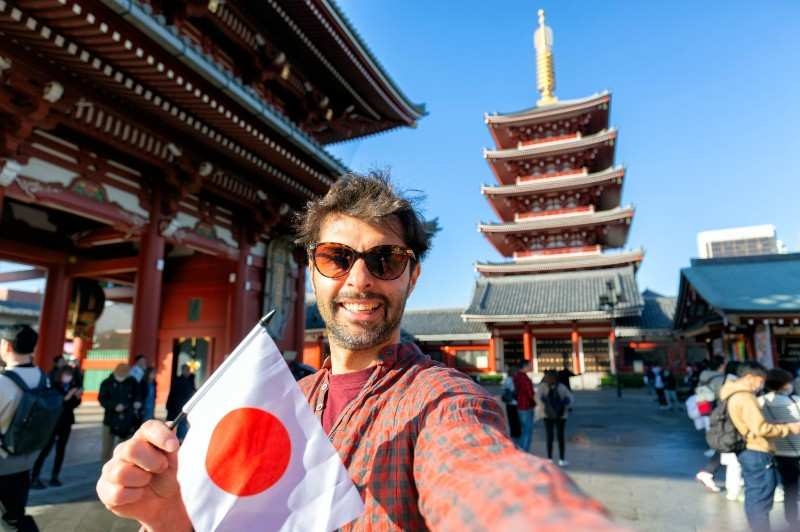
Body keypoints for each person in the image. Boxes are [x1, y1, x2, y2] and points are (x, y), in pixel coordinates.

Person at [97, 172, 620, 531]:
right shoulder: (283, 399)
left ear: (412, 276)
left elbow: (479, 475)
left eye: (386, 259)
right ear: (313, 270)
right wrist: (169, 519)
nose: (360, 279)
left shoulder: (442, 400)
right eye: (337, 256)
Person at [722, 361, 800, 532]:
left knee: (760, 494)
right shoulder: (745, 397)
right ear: (750, 377)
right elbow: (760, 428)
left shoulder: (746, 397)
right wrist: (790, 427)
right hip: (758, 450)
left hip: (767, 451)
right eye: (760, 380)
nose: (761, 384)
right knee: (762, 497)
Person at [0, 324, 44, 531]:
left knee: (6, 522)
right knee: (15, 515)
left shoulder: (3, 383)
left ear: (7, 346)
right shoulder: (44, 379)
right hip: (26, 462)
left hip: (2, 463)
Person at [759, 368, 800, 528]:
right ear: (784, 384)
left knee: (790, 489)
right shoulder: (795, 400)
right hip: (797, 448)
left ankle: (792, 520)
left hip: (780, 451)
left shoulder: (760, 402)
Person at [30, 365, 82, 489]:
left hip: (66, 422)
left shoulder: (72, 387)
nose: (68, 378)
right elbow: (53, 403)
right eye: (66, 375)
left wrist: (77, 397)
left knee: (61, 450)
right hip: (53, 423)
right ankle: (34, 476)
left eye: (70, 375)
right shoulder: (54, 386)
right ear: (61, 375)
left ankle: (55, 476)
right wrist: (66, 397)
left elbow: (73, 405)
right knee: (45, 449)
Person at [98, 363, 139, 463]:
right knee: (107, 448)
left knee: (122, 447)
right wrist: (114, 406)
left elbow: (138, 395)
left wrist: (136, 403)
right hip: (110, 418)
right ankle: (105, 469)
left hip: (126, 419)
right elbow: (102, 399)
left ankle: (119, 467)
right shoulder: (106, 383)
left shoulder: (132, 382)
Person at [539, 369, 573, 466]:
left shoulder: (542, 387)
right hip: (561, 416)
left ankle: (549, 458)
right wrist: (566, 406)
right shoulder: (562, 387)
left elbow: (537, 398)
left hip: (547, 415)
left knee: (549, 436)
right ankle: (561, 459)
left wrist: (544, 407)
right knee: (560, 436)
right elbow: (570, 399)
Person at [165, 364, 196, 441]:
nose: (188, 372)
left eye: (189, 371)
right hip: (177, 407)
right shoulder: (178, 381)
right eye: (186, 370)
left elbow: (192, 391)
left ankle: (180, 440)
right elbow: (173, 394)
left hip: (184, 407)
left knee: (182, 426)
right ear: (183, 371)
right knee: (176, 425)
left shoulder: (189, 380)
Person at [512, 361, 535, 452]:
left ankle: (521, 448)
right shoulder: (524, 378)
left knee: (524, 429)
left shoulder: (516, 376)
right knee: (527, 430)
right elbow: (530, 393)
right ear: (524, 366)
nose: (531, 367)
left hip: (520, 404)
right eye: (529, 365)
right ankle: (524, 450)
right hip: (526, 405)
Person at [500, 371, 521, 441]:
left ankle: (513, 434)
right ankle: (517, 434)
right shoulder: (514, 379)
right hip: (515, 402)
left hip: (508, 402)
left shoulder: (506, 380)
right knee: (516, 419)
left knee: (511, 419)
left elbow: (503, 388)